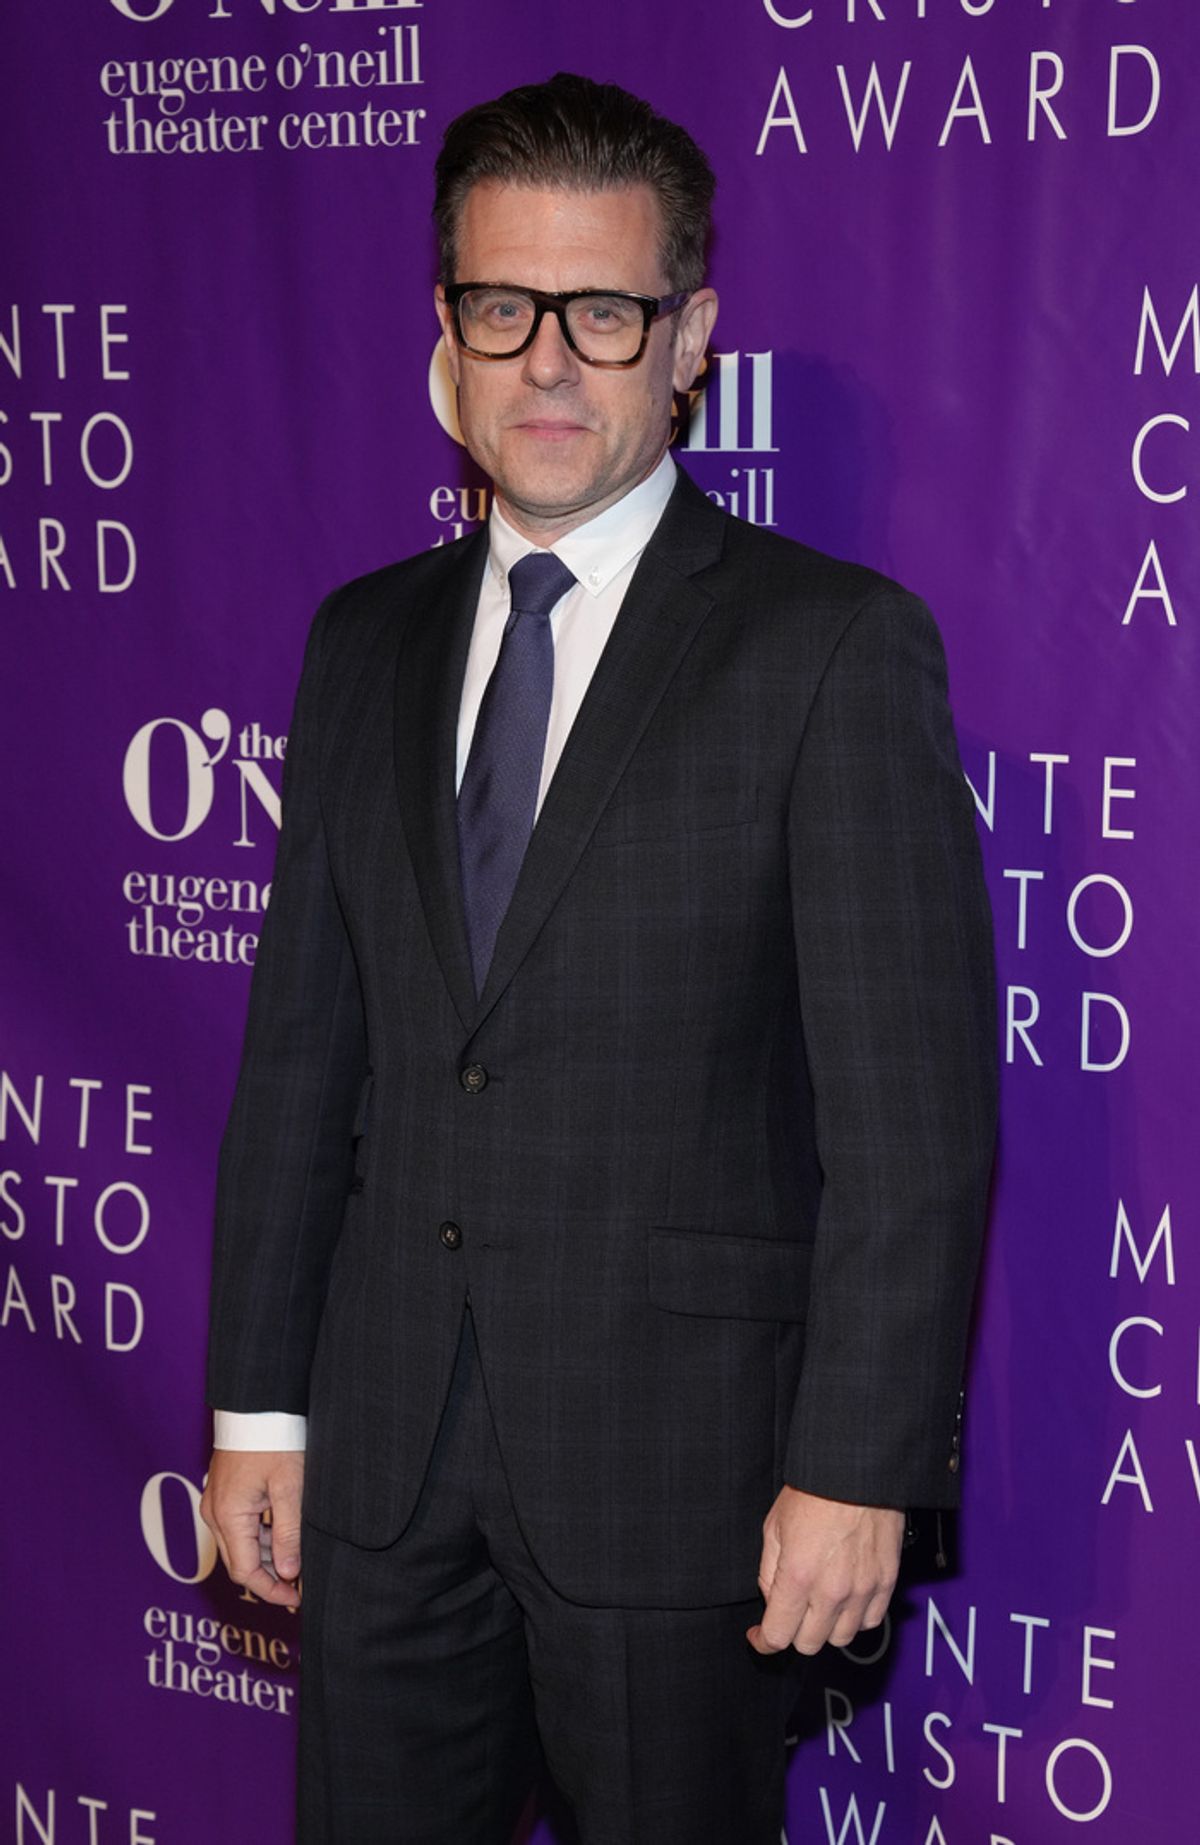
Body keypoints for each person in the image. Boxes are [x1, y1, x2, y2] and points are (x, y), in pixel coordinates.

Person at [201, 72, 996, 1845]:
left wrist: (857, 1461)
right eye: (504, 307)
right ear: (449, 331)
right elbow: (297, 1063)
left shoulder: (831, 649)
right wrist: (259, 1402)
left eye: (606, 313)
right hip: (386, 1460)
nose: (549, 361)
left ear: (690, 337)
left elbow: (911, 1124)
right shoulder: (362, 642)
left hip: (685, 1474)